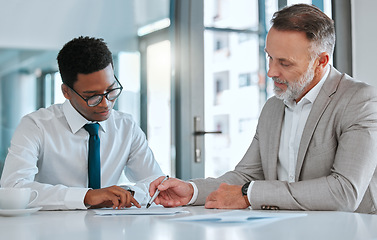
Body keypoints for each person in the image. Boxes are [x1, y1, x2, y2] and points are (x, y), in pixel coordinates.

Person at [149, 4, 377, 213]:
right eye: (270, 58)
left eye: (284, 63)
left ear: (321, 61)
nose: (271, 72)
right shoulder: (273, 107)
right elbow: (246, 175)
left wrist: (249, 195)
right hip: (285, 229)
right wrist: (192, 190)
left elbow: (345, 192)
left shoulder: (360, 101)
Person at [0, 36, 164, 210]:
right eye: (92, 96)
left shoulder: (126, 127)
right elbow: (13, 187)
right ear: (66, 92)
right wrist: (86, 196)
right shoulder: (36, 126)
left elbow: (158, 185)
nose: (105, 103)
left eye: (111, 90)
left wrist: (127, 193)